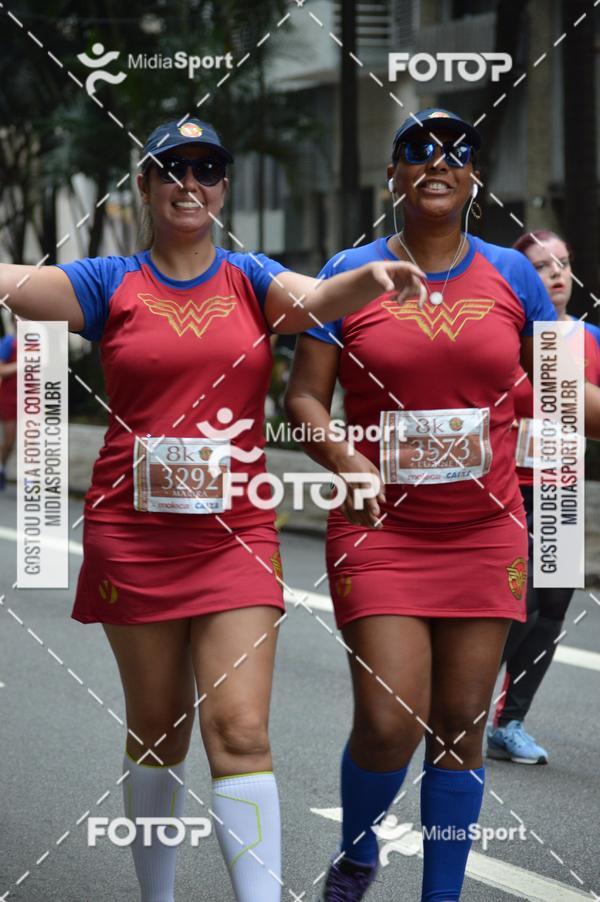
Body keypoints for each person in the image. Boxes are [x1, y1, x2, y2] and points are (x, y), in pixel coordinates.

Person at [0, 118, 426, 902]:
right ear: (146, 186)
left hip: (235, 535)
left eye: (205, 169)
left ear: (223, 186)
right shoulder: (108, 284)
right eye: (171, 169)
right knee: (158, 731)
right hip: (134, 533)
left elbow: (317, 300)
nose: (188, 182)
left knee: (240, 729)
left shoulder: (252, 278)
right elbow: (11, 280)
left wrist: (367, 282)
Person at [285, 108, 600, 901]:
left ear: (475, 179)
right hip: (381, 533)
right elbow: (303, 400)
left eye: (458, 152)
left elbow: (563, 395)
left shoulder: (513, 275)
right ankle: (359, 853)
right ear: (392, 175)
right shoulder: (350, 270)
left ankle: (443, 896)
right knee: (391, 723)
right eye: (416, 151)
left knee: (460, 726)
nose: (438, 161)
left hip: (486, 531)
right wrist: (345, 456)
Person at [487, 230, 600, 764]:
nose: (557, 274)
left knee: (552, 608)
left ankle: (510, 723)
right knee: (521, 605)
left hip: (561, 487)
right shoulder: (505, 338)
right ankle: (458, 707)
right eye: (541, 265)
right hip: (509, 490)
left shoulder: (592, 339)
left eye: (564, 262)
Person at [0, 315, 17, 491]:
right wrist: (22, 365)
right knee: (9, 440)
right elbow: (1, 369)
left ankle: (31, 483)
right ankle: (2, 467)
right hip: (9, 397)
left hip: (31, 399)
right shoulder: (8, 343)